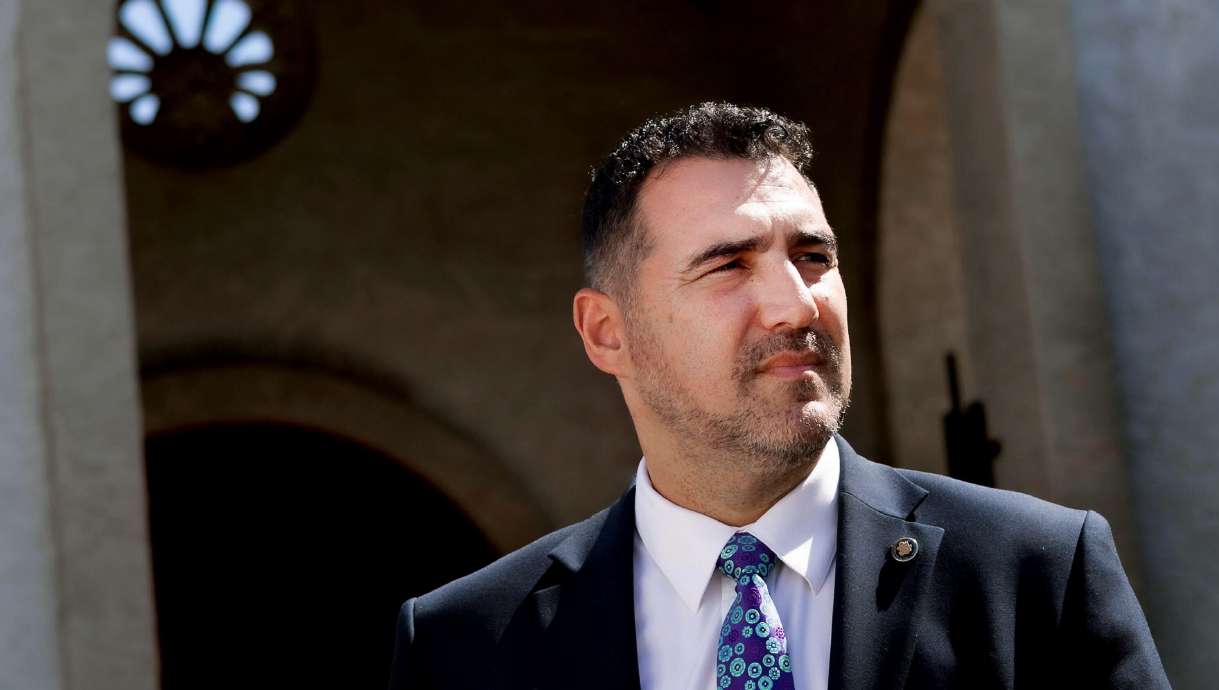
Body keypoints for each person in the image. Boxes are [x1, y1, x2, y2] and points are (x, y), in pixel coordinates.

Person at [387, 102, 1169, 689]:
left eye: (813, 256)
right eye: (729, 265)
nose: (798, 305)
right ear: (606, 334)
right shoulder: (463, 645)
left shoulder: (1035, 579)